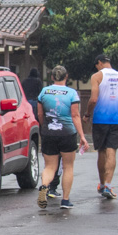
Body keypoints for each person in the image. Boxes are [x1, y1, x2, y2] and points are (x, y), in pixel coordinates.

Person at [36, 65, 89, 209]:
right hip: (67, 133)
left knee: (50, 166)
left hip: (48, 133)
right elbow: (75, 115)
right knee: (68, 167)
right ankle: (65, 200)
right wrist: (82, 136)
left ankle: (44, 186)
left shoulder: (44, 92)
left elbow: (40, 114)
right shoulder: (72, 93)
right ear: (66, 77)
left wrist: (44, 127)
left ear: (52, 77)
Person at [85, 54, 118, 199]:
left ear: (99, 63)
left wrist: (87, 114)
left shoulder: (97, 77)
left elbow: (93, 99)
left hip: (101, 119)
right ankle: (108, 185)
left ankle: (101, 184)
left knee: (101, 151)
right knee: (111, 151)